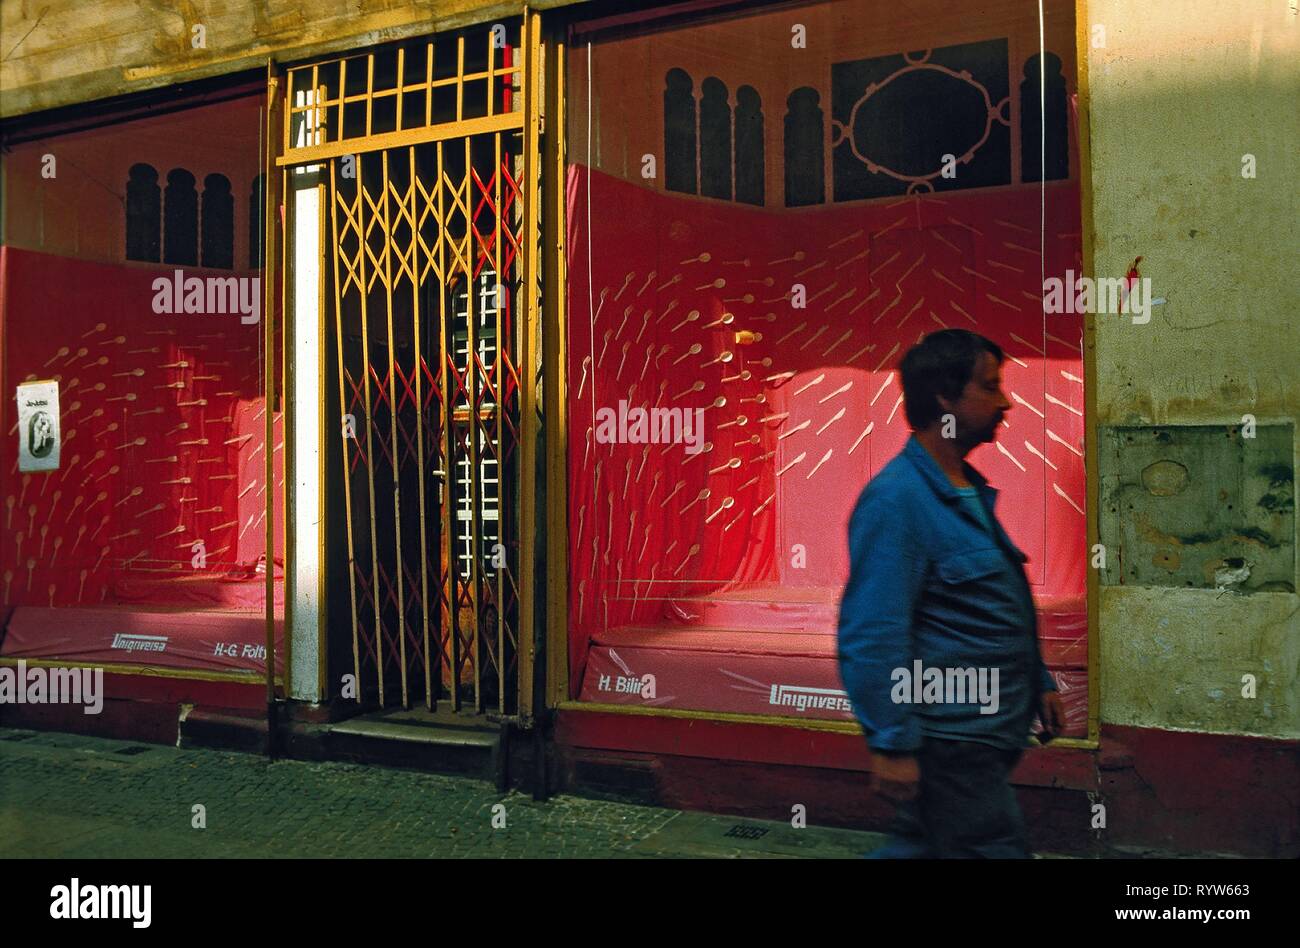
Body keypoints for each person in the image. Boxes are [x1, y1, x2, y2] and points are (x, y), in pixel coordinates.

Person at [837, 329, 1065, 858]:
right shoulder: (898, 502)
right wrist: (891, 745)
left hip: (986, 737)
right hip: (952, 743)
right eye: (990, 387)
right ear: (944, 397)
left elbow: (990, 605)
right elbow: (874, 634)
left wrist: (1038, 679)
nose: (1005, 401)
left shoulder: (966, 489)